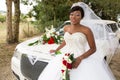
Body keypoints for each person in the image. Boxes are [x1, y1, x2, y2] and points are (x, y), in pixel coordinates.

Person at [38, 5, 116, 80]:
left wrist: (80, 58)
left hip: (81, 58)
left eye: (77, 15)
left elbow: (93, 49)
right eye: (71, 14)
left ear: (81, 17)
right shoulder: (66, 28)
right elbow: (66, 41)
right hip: (65, 56)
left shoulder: (87, 30)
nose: (73, 17)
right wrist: (56, 49)